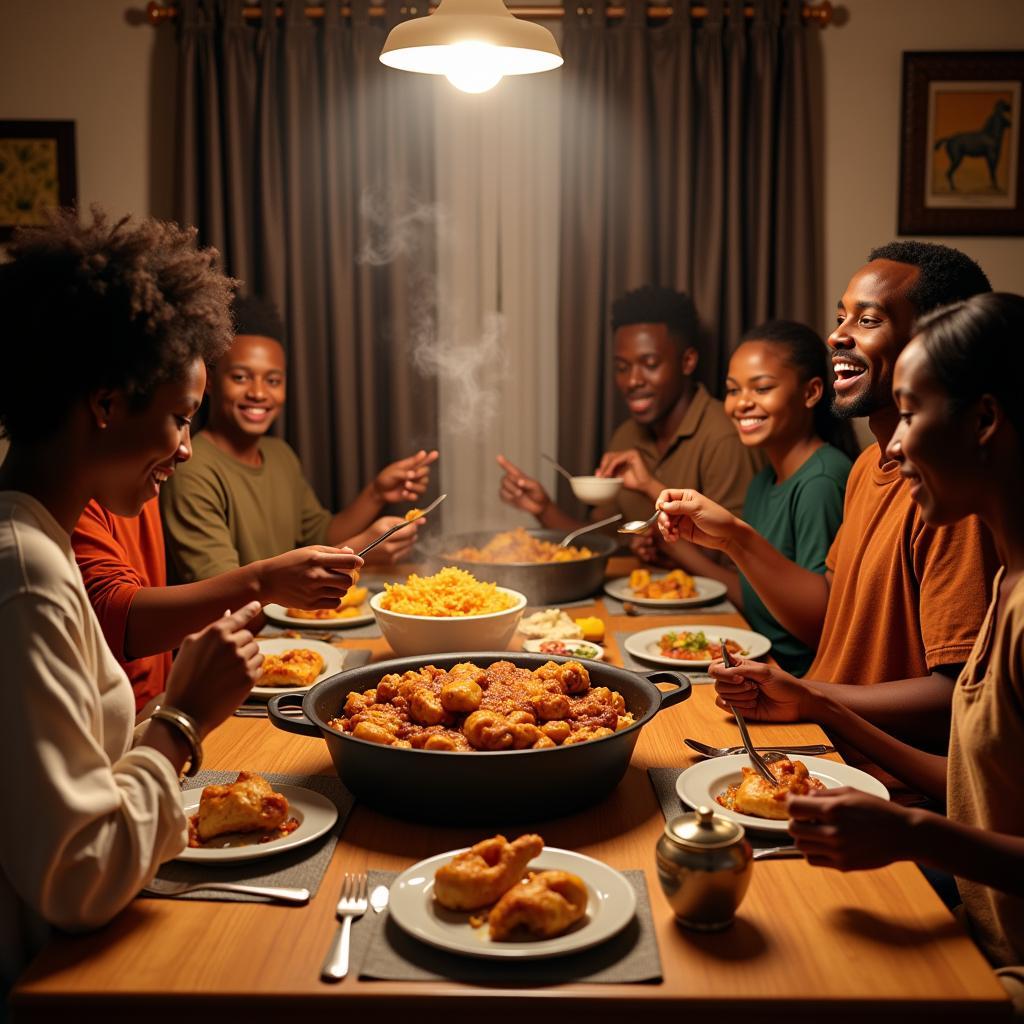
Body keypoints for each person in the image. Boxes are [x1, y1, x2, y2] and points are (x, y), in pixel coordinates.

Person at [712, 293, 1024, 1012]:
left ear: (983, 421)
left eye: (911, 416)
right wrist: (816, 702)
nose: (889, 446)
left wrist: (912, 832)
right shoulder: (1007, 578)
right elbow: (979, 789)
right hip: (972, 904)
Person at [0, 209, 264, 992]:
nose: (185, 448)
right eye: (180, 419)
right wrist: (182, 721)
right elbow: (76, 879)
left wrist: (171, 715)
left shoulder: (39, 540)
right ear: (107, 403)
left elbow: (85, 770)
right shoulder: (28, 578)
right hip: (54, 982)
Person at [656, 241, 999, 759]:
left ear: (934, 342)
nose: (837, 335)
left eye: (868, 320)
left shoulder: (951, 496)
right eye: (841, 318)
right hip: (809, 742)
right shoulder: (866, 467)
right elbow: (827, 617)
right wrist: (733, 537)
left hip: (862, 773)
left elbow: (958, 699)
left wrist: (810, 697)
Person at [161, 294, 437, 583]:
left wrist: (376, 493)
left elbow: (323, 535)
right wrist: (362, 552)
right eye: (241, 377)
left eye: (273, 381)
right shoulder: (191, 468)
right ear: (210, 382)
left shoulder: (280, 454)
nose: (259, 393)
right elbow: (223, 591)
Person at [653, 320, 856, 675]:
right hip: (754, 662)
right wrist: (678, 544)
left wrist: (735, 535)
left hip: (801, 681)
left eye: (761, 389)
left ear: (811, 392)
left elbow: (824, 626)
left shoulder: (822, 480)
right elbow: (751, 594)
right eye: (733, 390)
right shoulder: (763, 481)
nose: (742, 403)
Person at [496, 285, 759, 547]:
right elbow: (601, 539)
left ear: (687, 361)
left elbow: (732, 556)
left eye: (650, 364)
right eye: (622, 367)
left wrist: (654, 511)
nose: (632, 380)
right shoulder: (626, 436)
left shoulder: (724, 437)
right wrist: (543, 508)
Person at [72, 494, 361, 711]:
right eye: (178, 419)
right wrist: (262, 584)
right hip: (120, 726)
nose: (185, 449)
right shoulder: (78, 498)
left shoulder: (140, 487)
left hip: (161, 704)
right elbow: (114, 616)